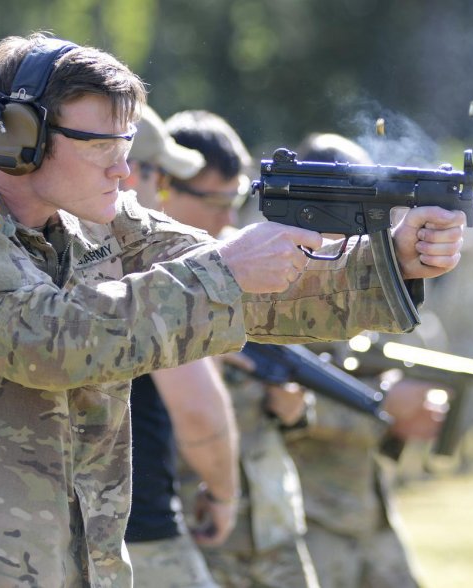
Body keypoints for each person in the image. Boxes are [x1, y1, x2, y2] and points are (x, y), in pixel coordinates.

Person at [0, 33, 466, 587]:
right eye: (103, 146)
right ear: (21, 134)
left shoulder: (101, 221)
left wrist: (389, 258)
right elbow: (40, 341)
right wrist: (223, 273)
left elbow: (254, 287)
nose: (125, 169)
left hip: (80, 567)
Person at [162, 110, 320, 588]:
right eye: (215, 200)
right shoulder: (134, 288)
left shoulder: (250, 268)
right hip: (193, 529)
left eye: (234, 200)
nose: (228, 219)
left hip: (270, 524)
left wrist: (292, 410)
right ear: (164, 187)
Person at [284, 132, 449, 588]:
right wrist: (383, 406)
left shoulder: (370, 281)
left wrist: (407, 415)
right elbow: (272, 402)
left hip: (370, 513)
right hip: (305, 523)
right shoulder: (275, 286)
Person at [122, 105, 239, 588]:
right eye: (160, 176)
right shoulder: (140, 260)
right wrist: (224, 495)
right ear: (133, 173)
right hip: (139, 532)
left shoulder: (39, 244)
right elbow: (198, 412)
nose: (161, 193)